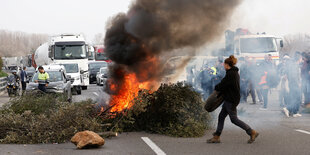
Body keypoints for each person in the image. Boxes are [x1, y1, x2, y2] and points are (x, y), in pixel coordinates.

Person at [207, 55, 259, 144]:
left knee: (234, 119)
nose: (223, 65)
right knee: (221, 116)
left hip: (231, 99)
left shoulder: (231, 74)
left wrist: (216, 87)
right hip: (231, 98)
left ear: (227, 65)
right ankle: (217, 136)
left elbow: (223, 85)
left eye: (224, 64)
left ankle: (251, 132)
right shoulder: (233, 72)